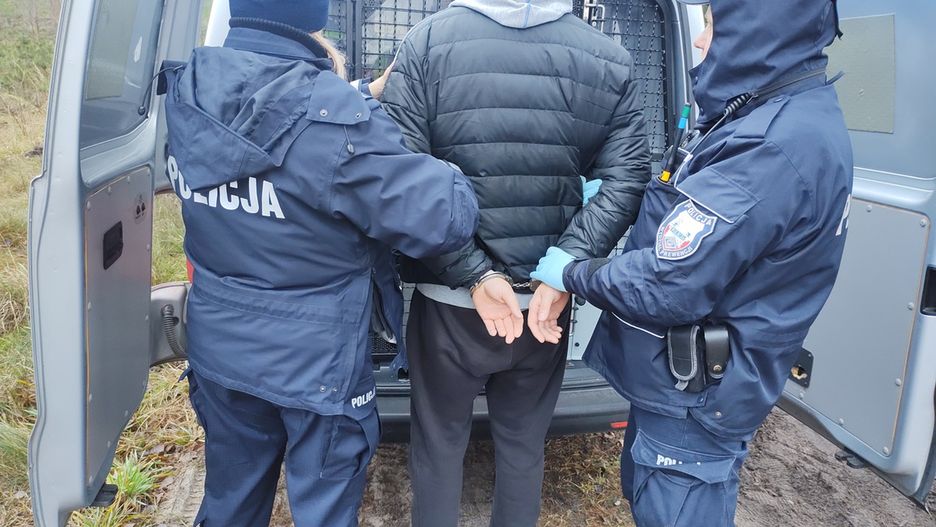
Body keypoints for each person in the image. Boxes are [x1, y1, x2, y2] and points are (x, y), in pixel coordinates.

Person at [528, 0, 852, 525]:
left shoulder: (772, 146)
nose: (700, 42)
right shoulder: (775, 114)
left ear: (760, 30)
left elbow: (669, 283)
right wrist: (627, 197)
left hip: (696, 404)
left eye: (712, 26)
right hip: (684, 388)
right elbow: (700, 210)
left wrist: (572, 273)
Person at [160, 0, 479, 525]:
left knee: (230, 502)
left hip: (221, 350)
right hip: (316, 369)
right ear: (314, 20)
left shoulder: (188, 90)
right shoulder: (339, 125)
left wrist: (360, 96)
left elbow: (271, 130)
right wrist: (449, 166)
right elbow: (445, 219)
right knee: (323, 512)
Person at [379, 1, 651, 525]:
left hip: (450, 304)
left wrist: (474, 273)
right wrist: (563, 268)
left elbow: (401, 174)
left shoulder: (428, 42)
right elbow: (627, 178)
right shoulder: (608, 57)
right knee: (524, 449)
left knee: (438, 448)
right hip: (544, 310)